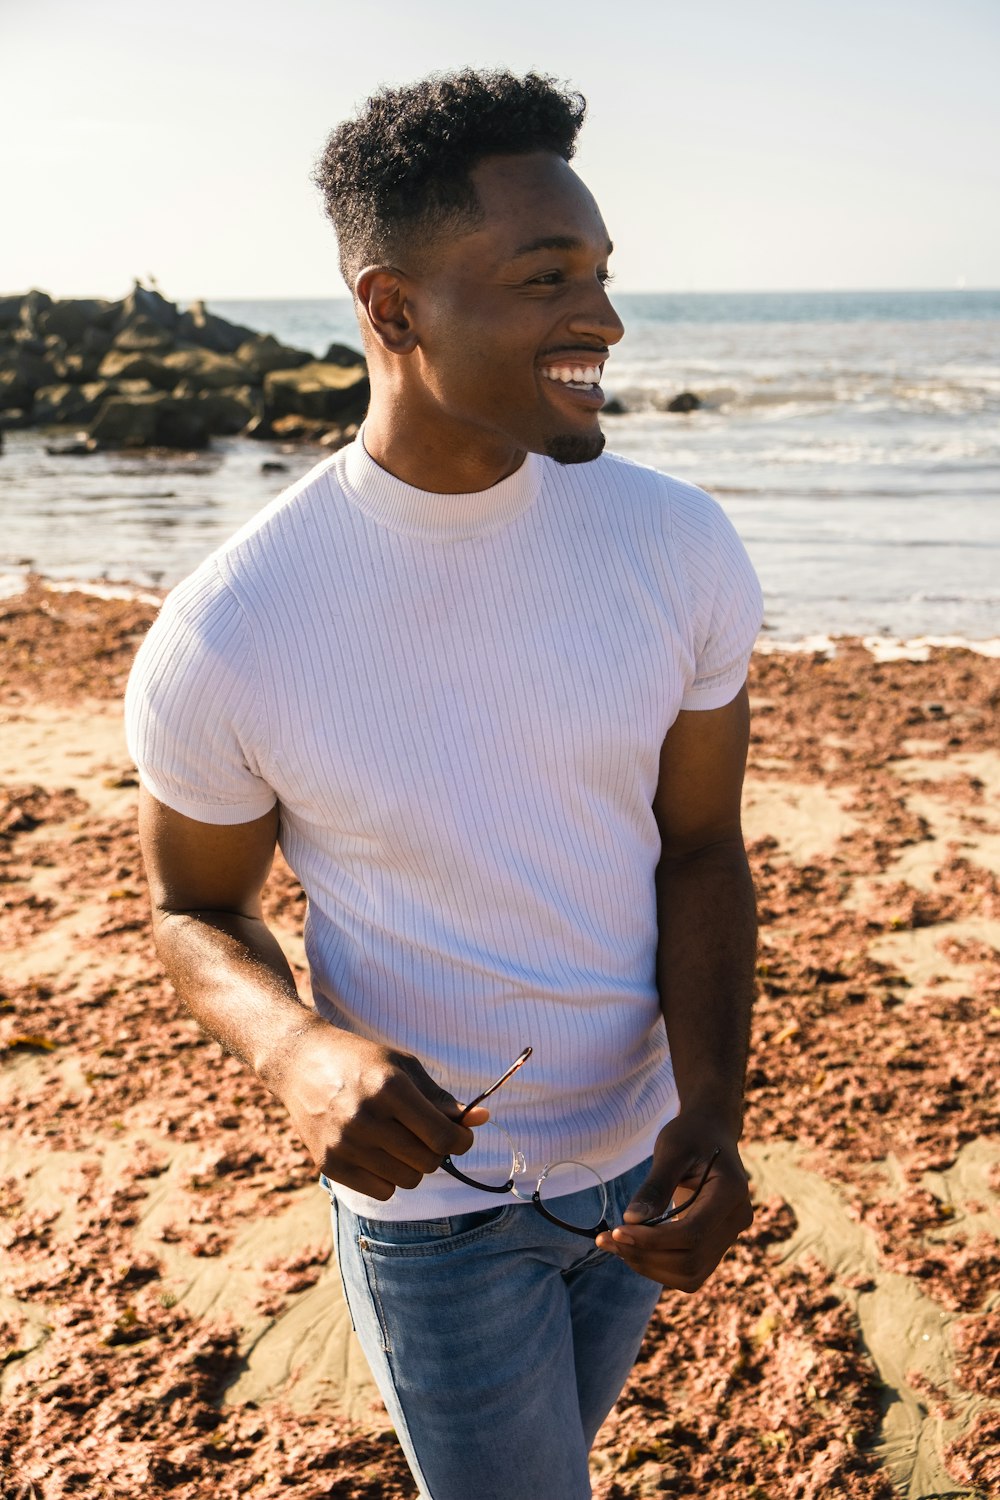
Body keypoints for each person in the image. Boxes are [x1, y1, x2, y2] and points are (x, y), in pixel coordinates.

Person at [126, 69, 763, 1500]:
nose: (602, 319)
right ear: (395, 308)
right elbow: (189, 907)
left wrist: (712, 1112)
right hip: (432, 1210)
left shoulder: (680, 548)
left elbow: (704, 853)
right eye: (549, 280)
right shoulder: (232, 629)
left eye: (602, 275)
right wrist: (295, 1053)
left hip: (645, 1169)